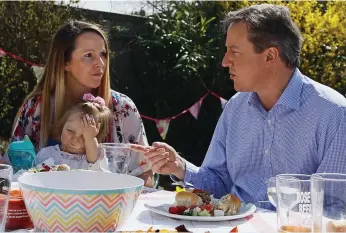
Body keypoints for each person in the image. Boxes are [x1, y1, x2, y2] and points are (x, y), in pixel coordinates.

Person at [132, 4, 346, 206]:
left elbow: (335, 208)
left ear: (270, 56)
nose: (225, 61)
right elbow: (218, 184)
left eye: (234, 51)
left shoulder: (333, 113)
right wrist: (180, 167)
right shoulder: (236, 107)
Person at [4, 21, 154, 186]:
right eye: (89, 55)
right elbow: (13, 169)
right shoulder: (36, 108)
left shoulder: (122, 108)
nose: (100, 63)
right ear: (64, 62)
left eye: (103, 54)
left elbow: (145, 175)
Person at [36, 94, 111, 171]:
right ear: (62, 126)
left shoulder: (93, 158)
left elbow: (94, 163)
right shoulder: (47, 154)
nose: (75, 138)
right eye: (70, 130)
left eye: (84, 136)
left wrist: (90, 140)